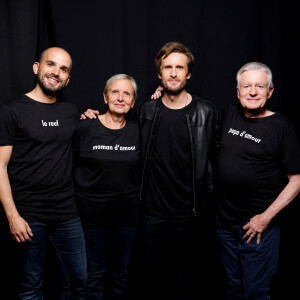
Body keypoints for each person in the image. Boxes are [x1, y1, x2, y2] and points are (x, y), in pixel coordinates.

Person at [0, 47, 87, 299]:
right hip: (28, 215)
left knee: (78, 280)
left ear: (68, 79)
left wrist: (91, 116)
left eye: (63, 69)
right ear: (37, 67)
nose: (56, 72)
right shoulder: (11, 111)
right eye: (51, 65)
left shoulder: (71, 112)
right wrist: (12, 216)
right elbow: (1, 167)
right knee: (31, 286)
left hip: (66, 213)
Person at [216, 62, 300, 300]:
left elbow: (296, 180)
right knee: (233, 289)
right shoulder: (228, 114)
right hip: (225, 223)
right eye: (247, 86)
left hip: (258, 226)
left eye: (259, 86)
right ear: (238, 91)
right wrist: (162, 93)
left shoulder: (281, 127)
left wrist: (265, 218)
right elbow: (188, 115)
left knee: (255, 293)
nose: (253, 91)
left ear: (270, 91)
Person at [73, 74, 141, 300]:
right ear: (104, 97)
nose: (120, 98)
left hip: (127, 220)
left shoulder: (139, 130)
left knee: (120, 274)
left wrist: (160, 91)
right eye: (114, 92)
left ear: (133, 101)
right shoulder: (85, 126)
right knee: (94, 275)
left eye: (127, 94)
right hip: (91, 219)